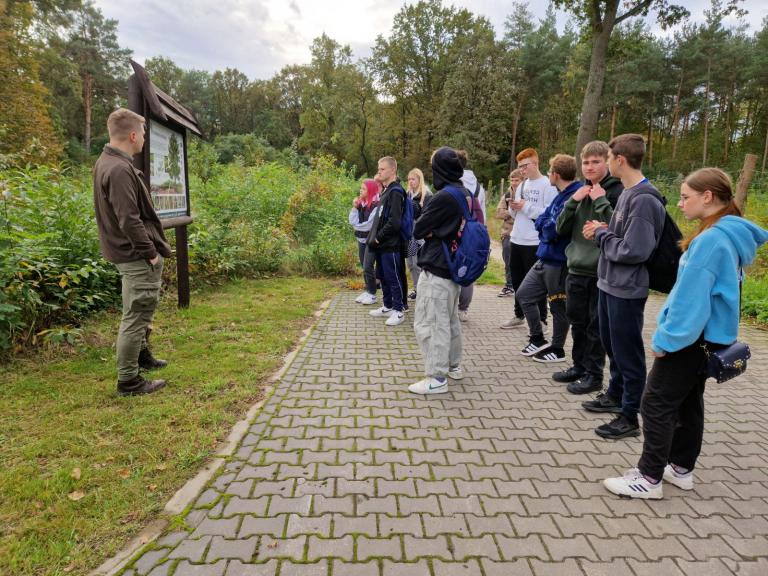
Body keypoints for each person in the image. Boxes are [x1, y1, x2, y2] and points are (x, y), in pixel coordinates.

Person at [603, 168, 768, 499]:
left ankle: (649, 479)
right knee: (688, 402)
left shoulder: (709, 241)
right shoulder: (727, 234)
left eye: (684, 196)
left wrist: (666, 340)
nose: (679, 204)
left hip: (692, 338)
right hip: (712, 338)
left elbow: (690, 301)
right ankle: (681, 467)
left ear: (707, 197)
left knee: (656, 402)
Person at [581, 134, 666, 440]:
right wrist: (604, 230)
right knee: (612, 345)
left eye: (609, 156)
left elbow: (636, 250)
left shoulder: (644, 199)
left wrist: (602, 235)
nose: (604, 162)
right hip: (609, 283)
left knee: (628, 353)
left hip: (626, 288)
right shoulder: (629, 193)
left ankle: (630, 416)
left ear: (619, 160)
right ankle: (615, 395)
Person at [93, 108, 171, 396]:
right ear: (133, 135)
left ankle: (141, 356)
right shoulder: (119, 169)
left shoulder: (108, 162)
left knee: (139, 310)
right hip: (135, 255)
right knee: (136, 314)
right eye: (144, 134)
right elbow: (129, 218)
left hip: (126, 252)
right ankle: (129, 380)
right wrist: (150, 252)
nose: (145, 140)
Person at [554, 141, 623, 394]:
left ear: (608, 162)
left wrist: (602, 201)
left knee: (596, 327)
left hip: (600, 272)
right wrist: (573, 201)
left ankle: (594, 375)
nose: (590, 167)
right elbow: (560, 229)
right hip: (575, 269)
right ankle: (579, 366)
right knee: (577, 321)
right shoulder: (580, 191)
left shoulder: (617, 191)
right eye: (586, 162)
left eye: (596, 161)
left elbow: (619, 231)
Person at [410, 147, 465, 394]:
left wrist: (433, 229)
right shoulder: (465, 192)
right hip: (454, 267)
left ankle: (436, 378)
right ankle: (453, 366)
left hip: (438, 267)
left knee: (431, 322)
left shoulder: (444, 196)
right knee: (450, 320)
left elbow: (419, 228)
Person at [517, 154, 580, 363]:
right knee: (524, 294)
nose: (548, 174)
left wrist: (545, 227)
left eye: (550, 170)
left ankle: (558, 349)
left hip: (559, 262)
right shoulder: (560, 195)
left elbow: (553, 230)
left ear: (555, 174)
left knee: (558, 307)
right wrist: (545, 226)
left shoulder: (574, 196)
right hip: (544, 257)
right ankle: (537, 337)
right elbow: (544, 220)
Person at [500, 148, 556, 330]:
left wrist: (526, 206)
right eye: (520, 167)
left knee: (536, 284)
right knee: (516, 281)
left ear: (535, 163)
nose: (522, 170)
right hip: (516, 238)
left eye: (525, 166)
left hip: (535, 241)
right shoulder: (523, 186)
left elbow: (549, 215)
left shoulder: (548, 185)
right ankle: (519, 315)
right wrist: (513, 208)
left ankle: (541, 319)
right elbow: (515, 215)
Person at [367, 157, 408, 326]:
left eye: (382, 169)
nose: (379, 172)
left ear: (392, 170)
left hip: (390, 244)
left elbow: (395, 221)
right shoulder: (386, 191)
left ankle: (398, 311)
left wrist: (378, 236)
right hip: (381, 245)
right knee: (382, 276)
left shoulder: (396, 192)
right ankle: (388, 305)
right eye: (379, 168)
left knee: (393, 277)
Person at [456, 150, 486, 322]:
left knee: (454, 266)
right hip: (474, 232)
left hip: (457, 231)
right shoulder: (478, 186)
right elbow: (482, 211)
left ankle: (453, 306)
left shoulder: (455, 184)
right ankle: (464, 309)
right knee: (468, 268)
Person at [349, 179, 381, 305]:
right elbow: (352, 220)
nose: (360, 191)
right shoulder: (361, 204)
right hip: (361, 239)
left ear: (370, 190)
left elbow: (368, 225)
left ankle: (372, 294)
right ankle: (368, 290)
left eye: (363, 189)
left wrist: (356, 226)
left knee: (368, 266)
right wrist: (355, 207)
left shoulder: (376, 205)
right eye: (360, 188)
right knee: (364, 265)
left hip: (371, 240)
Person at [405, 168, 432, 300]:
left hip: (419, 236)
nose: (410, 182)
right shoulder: (407, 194)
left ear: (419, 180)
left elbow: (426, 217)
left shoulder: (426, 195)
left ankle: (423, 290)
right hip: (409, 236)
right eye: (409, 179)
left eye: (413, 179)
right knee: (410, 264)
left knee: (417, 264)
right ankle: (416, 288)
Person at [495, 169, 523, 297]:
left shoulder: (525, 193)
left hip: (523, 233)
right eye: (512, 180)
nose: (514, 182)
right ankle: (509, 286)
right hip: (508, 232)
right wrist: (512, 212)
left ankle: (523, 287)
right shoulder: (507, 195)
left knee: (523, 262)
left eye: (516, 180)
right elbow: (499, 213)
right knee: (508, 261)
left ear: (522, 181)